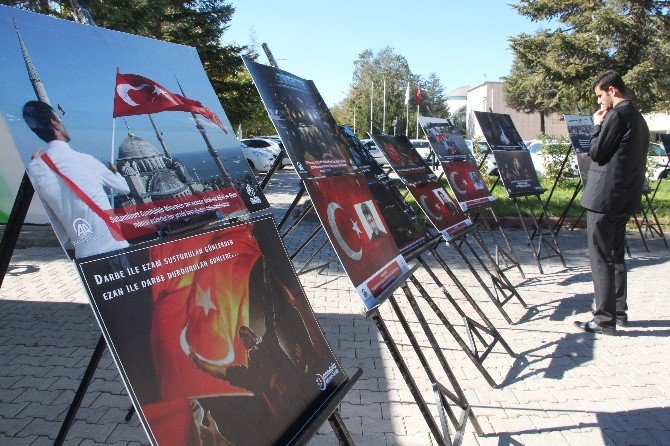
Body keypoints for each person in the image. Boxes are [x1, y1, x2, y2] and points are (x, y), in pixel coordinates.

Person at [575, 71, 649, 335]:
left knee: (601, 258)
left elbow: (597, 152)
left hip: (604, 199)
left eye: (600, 96)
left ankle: (604, 319)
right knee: (616, 255)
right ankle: (618, 312)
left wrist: (596, 126)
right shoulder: (638, 117)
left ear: (613, 90)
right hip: (623, 197)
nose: (599, 103)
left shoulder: (617, 116)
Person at [22, 101, 131, 258]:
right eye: (59, 119)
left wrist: (35, 164)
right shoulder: (85, 160)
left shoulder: (35, 170)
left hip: (83, 254)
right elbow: (124, 188)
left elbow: (51, 219)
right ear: (54, 122)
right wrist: (115, 172)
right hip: (116, 246)